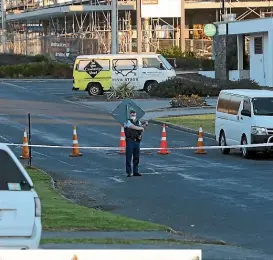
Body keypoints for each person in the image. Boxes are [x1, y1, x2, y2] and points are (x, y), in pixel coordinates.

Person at [124, 110, 148, 177]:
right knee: (129, 157)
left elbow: (141, 129)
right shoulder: (127, 121)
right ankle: (129, 172)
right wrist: (141, 128)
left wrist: (145, 125)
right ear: (129, 114)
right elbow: (132, 127)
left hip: (137, 141)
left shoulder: (138, 122)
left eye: (134, 114)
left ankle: (135, 171)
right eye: (132, 114)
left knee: (136, 157)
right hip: (130, 141)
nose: (133, 115)